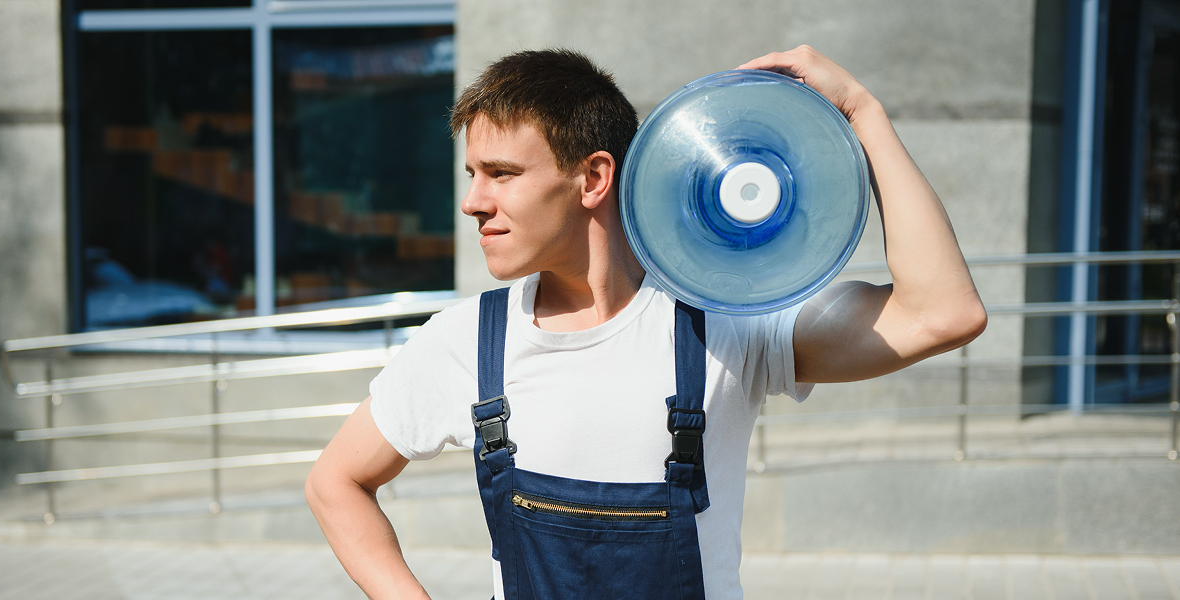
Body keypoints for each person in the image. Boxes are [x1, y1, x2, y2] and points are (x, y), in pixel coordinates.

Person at [305, 45, 987, 600]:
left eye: (501, 173)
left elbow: (944, 313)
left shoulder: (726, 323)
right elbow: (334, 483)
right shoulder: (466, 342)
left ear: (593, 178)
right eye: (472, 173)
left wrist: (862, 112)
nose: (472, 201)